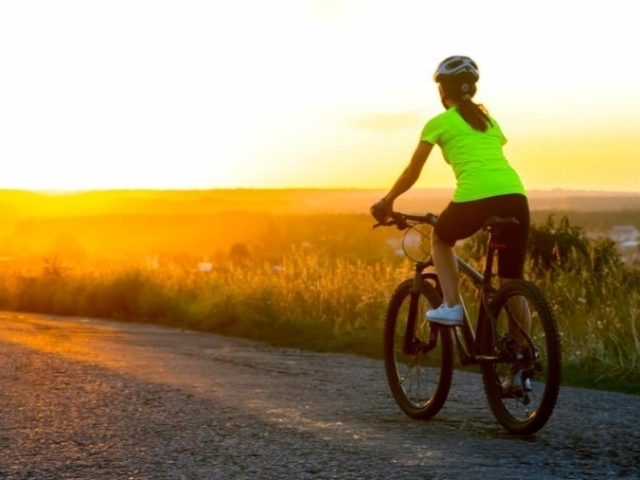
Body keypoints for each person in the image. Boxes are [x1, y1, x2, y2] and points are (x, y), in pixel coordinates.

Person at [371, 55, 530, 330]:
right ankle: (522, 364)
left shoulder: (439, 123)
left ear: (442, 90)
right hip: (516, 196)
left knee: (441, 238)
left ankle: (453, 306)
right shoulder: (488, 122)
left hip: (476, 195)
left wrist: (388, 201)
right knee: (511, 283)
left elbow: (412, 172)